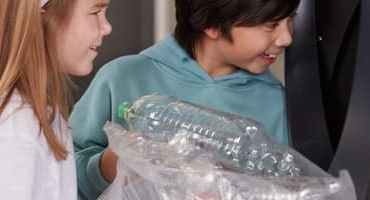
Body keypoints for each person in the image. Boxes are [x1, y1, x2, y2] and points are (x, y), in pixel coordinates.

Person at [69, 0, 300, 199]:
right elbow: (60, 172)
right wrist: (108, 167)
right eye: (271, 25)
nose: (286, 38)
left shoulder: (279, 104)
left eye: (291, 19)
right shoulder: (122, 78)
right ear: (212, 24)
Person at [0, 0, 111, 199]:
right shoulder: (18, 132)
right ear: (40, 19)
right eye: (95, 12)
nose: (107, 27)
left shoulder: (33, 118)